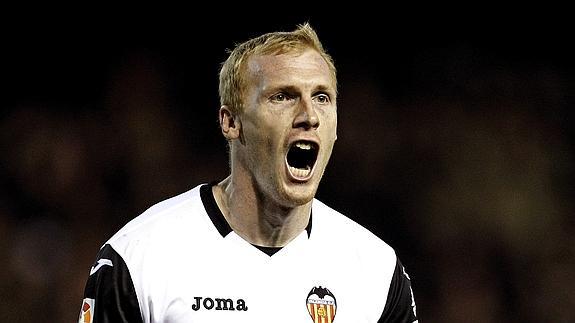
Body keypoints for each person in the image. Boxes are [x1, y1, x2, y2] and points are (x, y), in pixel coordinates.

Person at [78, 23, 418, 323]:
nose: (309, 115)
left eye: (322, 97)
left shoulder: (376, 270)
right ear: (231, 122)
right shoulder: (139, 258)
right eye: (283, 96)